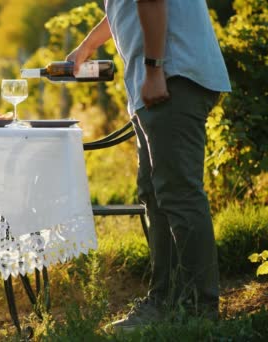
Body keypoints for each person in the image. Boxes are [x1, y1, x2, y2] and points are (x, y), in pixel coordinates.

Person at [66, 0, 231, 332]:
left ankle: (200, 312)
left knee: (178, 194)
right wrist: (86, 47)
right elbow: (123, 9)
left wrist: (154, 70)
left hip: (171, 76)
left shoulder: (161, 72)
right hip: (163, 78)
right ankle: (165, 301)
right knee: (156, 195)